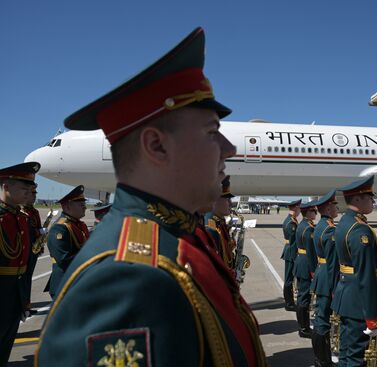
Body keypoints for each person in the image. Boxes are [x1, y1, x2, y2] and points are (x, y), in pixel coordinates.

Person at [36, 28, 267, 366]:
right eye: (211, 132)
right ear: (156, 145)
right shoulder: (127, 280)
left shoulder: (181, 237)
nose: (230, 149)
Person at [331, 176, 377, 367]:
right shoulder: (359, 230)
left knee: (347, 353)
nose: (373, 201)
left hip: (348, 296)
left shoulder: (346, 222)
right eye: (369, 196)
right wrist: (372, 316)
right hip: (359, 301)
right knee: (357, 356)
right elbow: (365, 275)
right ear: (357, 199)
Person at [0, 162, 40, 367]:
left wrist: (24, 298)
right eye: (24, 189)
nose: (29, 193)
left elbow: (23, 264)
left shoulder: (22, 219)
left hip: (14, 296)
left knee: (5, 347)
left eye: (30, 189)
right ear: (6, 187)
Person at [310, 190, 339, 367]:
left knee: (321, 318)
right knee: (322, 321)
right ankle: (323, 360)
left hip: (321, 274)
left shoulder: (321, 226)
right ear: (328, 208)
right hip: (327, 278)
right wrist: (335, 289)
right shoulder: (330, 230)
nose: (337, 208)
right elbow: (333, 264)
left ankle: (321, 358)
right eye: (335, 205)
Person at [45, 185, 89, 299]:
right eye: (81, 204)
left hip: (77, 281)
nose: (85, 208)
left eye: (84, 204)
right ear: (67, 206)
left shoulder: (79, 225)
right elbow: (64, 259)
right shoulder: (60, 228)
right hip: (64, 284)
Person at [293, 200, 318, 338]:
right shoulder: (308, 229)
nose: (315, 213)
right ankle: (303, 328)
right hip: (306, 264)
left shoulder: (302, 225)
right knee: (304, 297)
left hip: (300, 262)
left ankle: (303, 325)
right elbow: (311, 253)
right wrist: (314, 271)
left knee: (303, 297)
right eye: (314, 211)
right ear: (307, 212)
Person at [20, 182, 42, 316]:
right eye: (31, 194)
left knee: (28, 278)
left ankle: (27, 305)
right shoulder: (23, 212)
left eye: (34, 194)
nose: (34, 196)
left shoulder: (34, 211)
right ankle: (23, 306)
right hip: (25, 250)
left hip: (33, 249)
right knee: (23, 279)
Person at [205, 176, 236, 268]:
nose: (230, 203)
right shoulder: (210, 227)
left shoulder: (219, 222)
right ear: (214, 200)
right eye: (227, 199)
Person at [281, 199, 301, 311]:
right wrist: (296, 256)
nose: (299, 211)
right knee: (289, 279)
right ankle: (289, 303)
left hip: (289, 251)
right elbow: (294, 242)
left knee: (289, 278)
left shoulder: (291, 220)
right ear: (295, 208)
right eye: (299, 208)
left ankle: (290, 301)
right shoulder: (291, 222)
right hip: (291, 252)